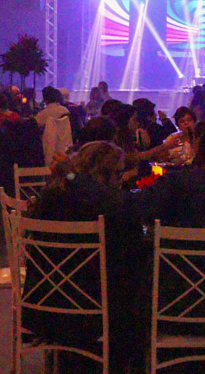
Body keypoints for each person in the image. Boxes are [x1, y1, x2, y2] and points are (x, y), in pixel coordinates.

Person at [24, 141, 144, 372]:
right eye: (119, 174)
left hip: (47, 302)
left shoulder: (52, 196)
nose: (121, 180)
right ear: (104, 174)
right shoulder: (110, 205)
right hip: (96, 307)